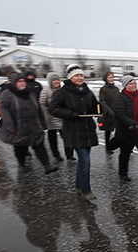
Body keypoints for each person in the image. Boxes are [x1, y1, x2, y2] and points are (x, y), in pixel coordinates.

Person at [48, 64, 100, 201]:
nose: (79, 78)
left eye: (81, 75)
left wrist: (101, 111)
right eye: (76, 75)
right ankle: (85, 190)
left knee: (84, 161)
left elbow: (95, 105)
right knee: (85, 160)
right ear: (70, 77)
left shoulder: (87, 91)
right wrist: (70, 114)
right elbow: (53, 109)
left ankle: (78, 186)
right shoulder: (63, 92)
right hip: (73, 131)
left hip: (87, 130)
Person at [0, 72, 58, 174]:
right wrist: (9, 125)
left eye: (23, 81)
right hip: (18, 126)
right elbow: (4, 110)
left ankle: (47, 165)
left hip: (33, 125)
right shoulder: (7, 94)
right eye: (19, 81)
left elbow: (38, 109)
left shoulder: (30, 93)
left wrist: (43, 123)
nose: (22, 83)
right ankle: (22, 164)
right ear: (14, 82)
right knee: (20, 146)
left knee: (39, 144)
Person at [39, 72, 74, 162]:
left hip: (62, 118)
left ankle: (69, 155)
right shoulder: (45, 91)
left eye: (58, 80)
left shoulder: (63, 90)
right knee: (53, 140)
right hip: (51, 118)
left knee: (67, 138)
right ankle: (56, 155)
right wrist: (46, 118)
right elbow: (42, 105)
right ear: (50, 81)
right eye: (54, 80)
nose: (56, 82)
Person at [99, 70, 119, 154]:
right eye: (109, 77)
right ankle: (108, 147)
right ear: (106, 79)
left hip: (117, 113)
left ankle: (123, 145)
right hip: (108, 113)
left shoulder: (116, 89)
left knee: (120, 131)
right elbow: (102, 101)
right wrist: (108, 110)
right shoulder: (103, 89)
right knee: (108, 131)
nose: (111, 79)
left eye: (112, 77)